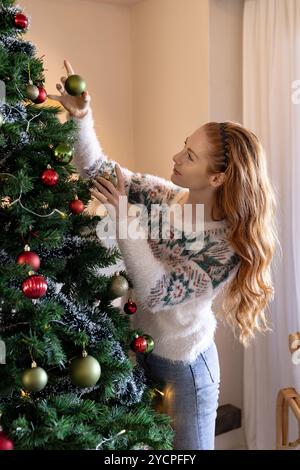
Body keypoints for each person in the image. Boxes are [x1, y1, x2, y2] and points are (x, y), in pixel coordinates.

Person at [48, 60, 278, 450]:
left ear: (217, 178)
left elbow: (158, 291)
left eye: (189, 155)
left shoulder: (226, 248)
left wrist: (124, 218)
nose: (175, 156)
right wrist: (82, 117)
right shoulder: (164, 196)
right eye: (183, 146)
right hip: (138, 351)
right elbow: (98, 170)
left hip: (184, 369)